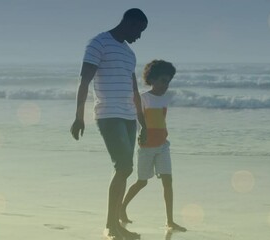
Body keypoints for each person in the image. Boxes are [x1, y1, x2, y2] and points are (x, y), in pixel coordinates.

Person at [70, 8, 148, 240]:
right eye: (139, 30)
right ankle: (110, 226)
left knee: (125, 170)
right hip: (108, 115)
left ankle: (115, 224)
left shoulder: (129, 53)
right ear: (130, 23)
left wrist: (142, 123)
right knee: (123, 167)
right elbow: (84, 81)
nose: (139, 37)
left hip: (128, 117)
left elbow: (134, 91)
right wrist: (79, 116)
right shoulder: (98, 43)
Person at [120, 60, 187, 232]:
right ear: (153, 80)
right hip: (146, 147)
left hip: (163, 146)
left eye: (168, 81)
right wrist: (138, 134)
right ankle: (121, 208)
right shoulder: (144, 98)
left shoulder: (165, 98)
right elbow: (137, 119)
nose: (166, 85)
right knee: (142, 182)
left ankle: (170, 221)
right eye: (163, 81)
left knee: (168, 181)